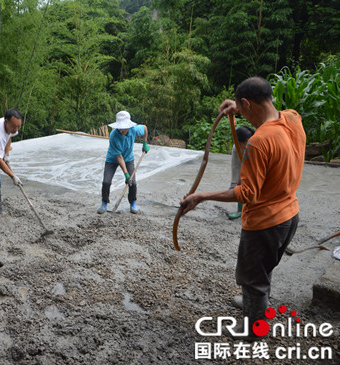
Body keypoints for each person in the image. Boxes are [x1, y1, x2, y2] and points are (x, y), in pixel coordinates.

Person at [179, 76, 306, 339]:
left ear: (247, 102)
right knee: (263, 269)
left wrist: (201, 196)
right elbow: (269, 111)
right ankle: (253, 306)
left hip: (265, 223)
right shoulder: (293, 119)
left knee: (252, 278)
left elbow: (247, 193)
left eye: (242, 107)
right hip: (289, 215)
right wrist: (239, 107)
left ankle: (254, 329)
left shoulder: (259, 142)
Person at [97, 111, 149, 214]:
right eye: (120, 127)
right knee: (106, 182)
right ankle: (104, 203)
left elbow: (144, 128)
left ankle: (133, 204)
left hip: (128, 158)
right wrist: (126, 174)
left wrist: (145, 142)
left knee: (132, 183)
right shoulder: (113, 135)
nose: (122, 130)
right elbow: (119, 157)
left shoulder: (134, 130)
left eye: (124, 127)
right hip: (112, 159)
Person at [228, 126, 255, 220]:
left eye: (239, 143)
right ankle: (240, 210)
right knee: (240, 185)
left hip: (256, 170)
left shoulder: (257, 146)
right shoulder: (236, 148)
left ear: (247, 140)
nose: (237, 145)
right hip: (244, 168)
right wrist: (234, 183)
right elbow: (235, 166)